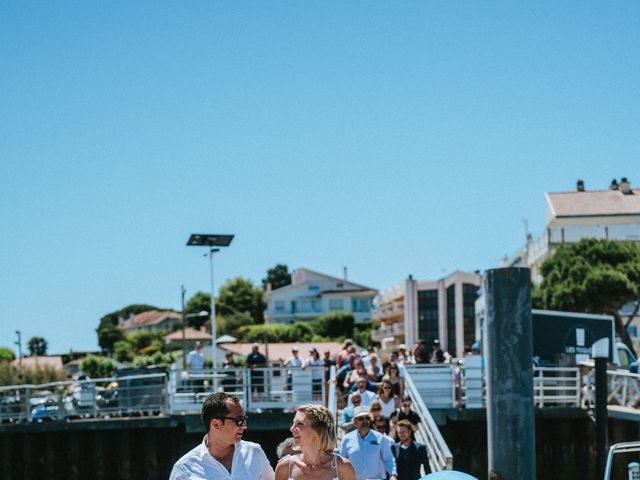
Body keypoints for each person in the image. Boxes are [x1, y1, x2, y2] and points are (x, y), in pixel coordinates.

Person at [170, 391, 274, 480]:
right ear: (216, 424)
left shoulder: (255, 453)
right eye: (239, 420)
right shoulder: (184, 470)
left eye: (245, 419)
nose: (244, 426)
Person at [276, 404, 356, 480]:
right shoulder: (284, 467)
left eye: (299, 424)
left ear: (318, 430)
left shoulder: (343, 467)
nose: (292, 428)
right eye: (293, 423)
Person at [339, 406, 398, 480]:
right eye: (361, 418)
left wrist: (393, 474)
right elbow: (340, 462)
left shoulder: (380, 438)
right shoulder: (346, 439)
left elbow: (389, 458)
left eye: (367, 418)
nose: (365, 421)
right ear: (355, 422)